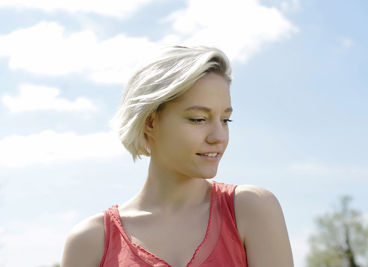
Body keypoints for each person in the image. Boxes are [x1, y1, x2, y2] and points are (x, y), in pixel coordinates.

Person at [61, 46, 294, 267]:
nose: (218, 136)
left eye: (225, 120)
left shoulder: (251, 209)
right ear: (151, 122)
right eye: (199, 119)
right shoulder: (90, 243)